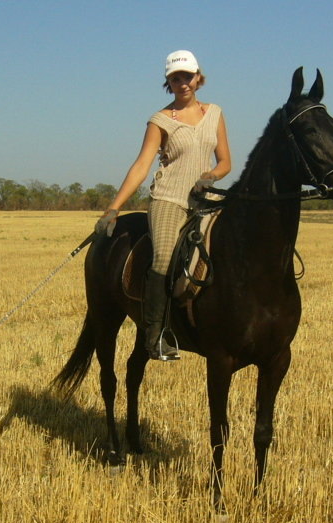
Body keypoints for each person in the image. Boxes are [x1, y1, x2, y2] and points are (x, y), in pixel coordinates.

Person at [94, 50, 232, 361]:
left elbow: (225, 162)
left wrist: (210, 176)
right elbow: (142, 165)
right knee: (165, 257)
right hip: (170, 199)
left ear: (198, 77)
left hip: (206, 200)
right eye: (175, 78)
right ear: (168, 82)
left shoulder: (215, 113)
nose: (183, 82)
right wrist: (113, 208)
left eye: (187, 76)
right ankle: (155, 334)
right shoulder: (159, 120)